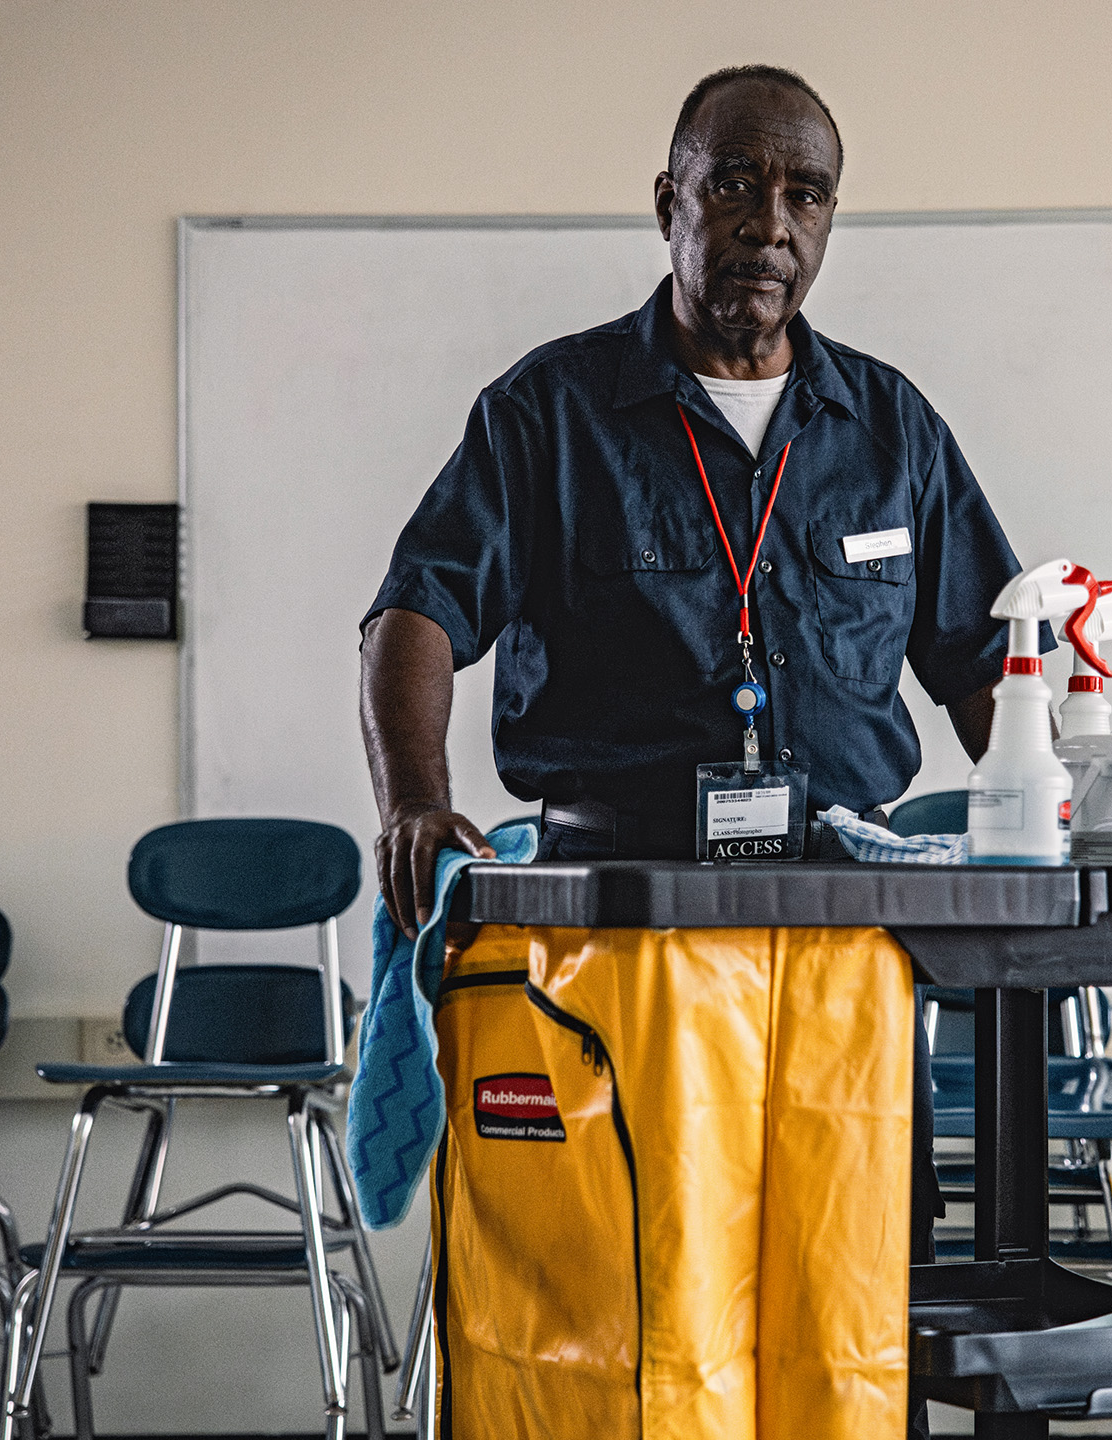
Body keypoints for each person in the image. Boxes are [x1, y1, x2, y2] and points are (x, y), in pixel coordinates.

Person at [360, 64, 1040, 1435]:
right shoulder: (548, 414)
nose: (768, 223)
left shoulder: (891, 429)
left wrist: (1065, 809)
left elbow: (988, 663)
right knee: (641, 1308)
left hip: (847, 944)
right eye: (734, 185)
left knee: (838, 1312)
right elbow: (416, 614)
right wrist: (418, 802)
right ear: (671, 204)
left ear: (832, 220)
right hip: (624, 943)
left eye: (804, 193)